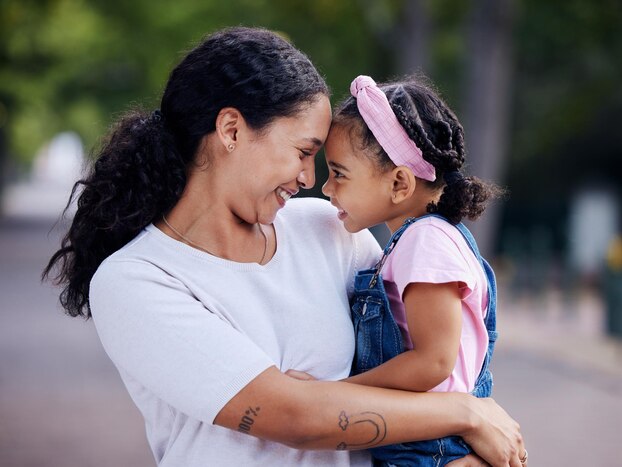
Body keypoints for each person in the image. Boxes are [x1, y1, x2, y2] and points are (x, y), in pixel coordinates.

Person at [43, 27, 525, 467]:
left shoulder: (327, 230)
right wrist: (466, 414)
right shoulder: (137, 280)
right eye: (303, 152)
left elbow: (436, 349)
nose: (310, 179)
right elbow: (295, 418)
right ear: (231, 130)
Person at [312, 74, 506, 466]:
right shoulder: (428, 239)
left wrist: (336, 393)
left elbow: (433, 363)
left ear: (400, 182)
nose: (326, 188)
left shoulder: (425, 242)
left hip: (427, 448)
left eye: (339, 173)